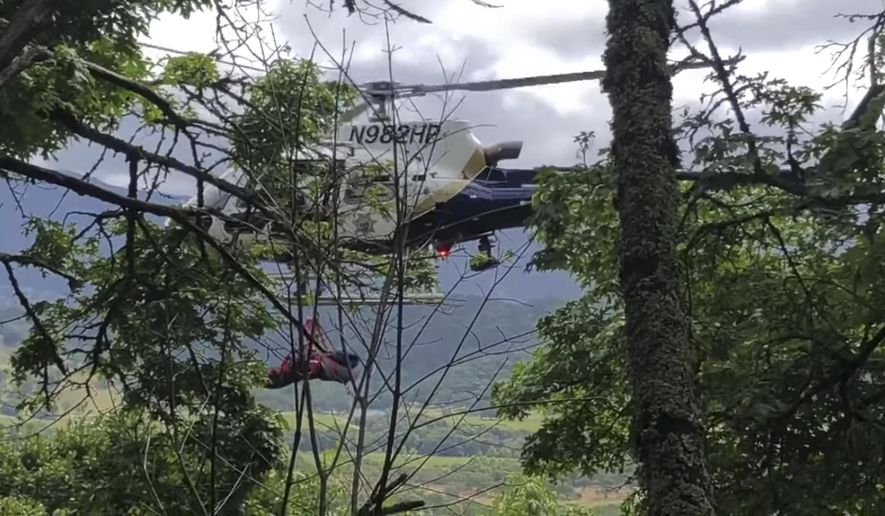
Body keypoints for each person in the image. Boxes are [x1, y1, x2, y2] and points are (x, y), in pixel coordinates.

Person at [265, 319, 360, 389]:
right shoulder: (289, 372)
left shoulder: (286, 368)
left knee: (335, 355)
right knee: (343, 361)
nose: (275, 369)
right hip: (323, 365)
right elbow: (311, 366)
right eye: (275, 373)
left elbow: (300, 356)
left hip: (320, 361)